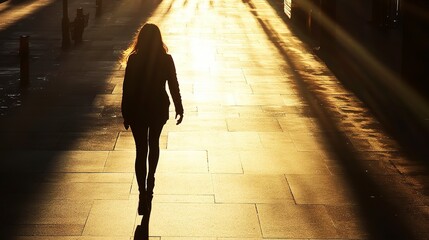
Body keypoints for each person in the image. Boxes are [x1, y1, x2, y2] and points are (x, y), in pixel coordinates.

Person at [121, 23, 184, 216]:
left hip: (138, 109)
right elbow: (173, 84)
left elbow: (127, 88)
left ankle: (142, 192)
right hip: (157, 108)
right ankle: (151, 181)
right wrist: (179, 106)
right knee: (153, 144)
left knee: (141, 150)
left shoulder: (134, 59)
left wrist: (126, 112)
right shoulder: (166, 59)